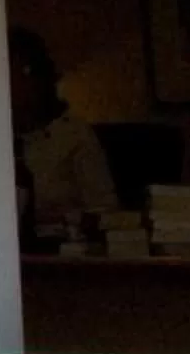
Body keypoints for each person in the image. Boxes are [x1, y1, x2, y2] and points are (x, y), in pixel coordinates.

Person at [7, 27, 117, 239]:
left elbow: (105, 212)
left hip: (62, 249)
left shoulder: (73, 136)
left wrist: (71, 223)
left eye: (23, 75)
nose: (16, 86)